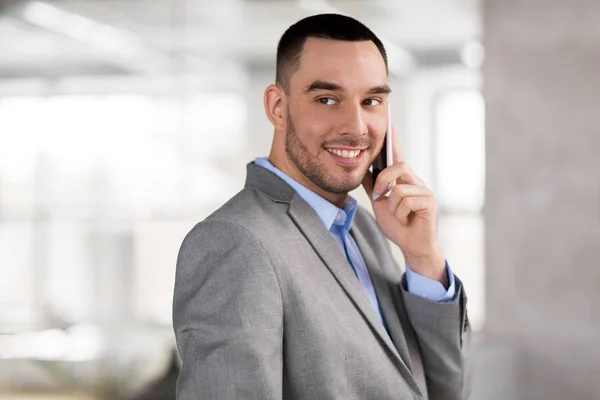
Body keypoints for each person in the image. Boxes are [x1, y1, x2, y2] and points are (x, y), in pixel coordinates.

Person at [173, 13, 471, 400]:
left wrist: (423, 258)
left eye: (372, 101)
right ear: (278, 108)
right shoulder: (234, 242)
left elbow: (439, 391)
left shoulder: (366, 228)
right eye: (327, 99)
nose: (357, 126)